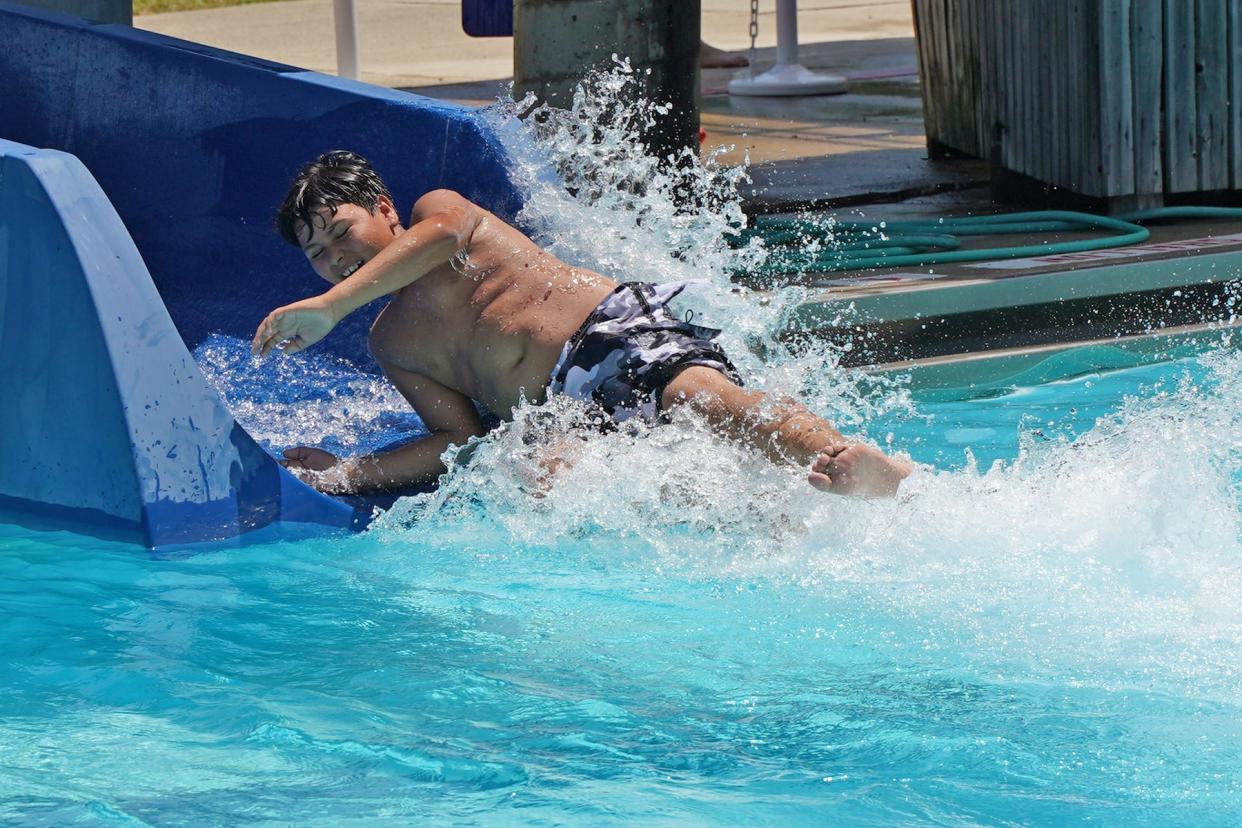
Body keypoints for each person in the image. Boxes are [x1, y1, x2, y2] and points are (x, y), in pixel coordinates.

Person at [252, 151, 913, 497]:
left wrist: (330, 305)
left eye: (340, 233)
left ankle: (843, 459)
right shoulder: (392, 343)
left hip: (610, 336)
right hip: (561, 415)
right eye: (318, 256)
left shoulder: (439, 213)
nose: (334, 258)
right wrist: (346, 474)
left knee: (699, 401)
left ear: (385, 209)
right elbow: (459, 440)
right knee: (555, 484)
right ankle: (779, 522)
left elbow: (442, 234)